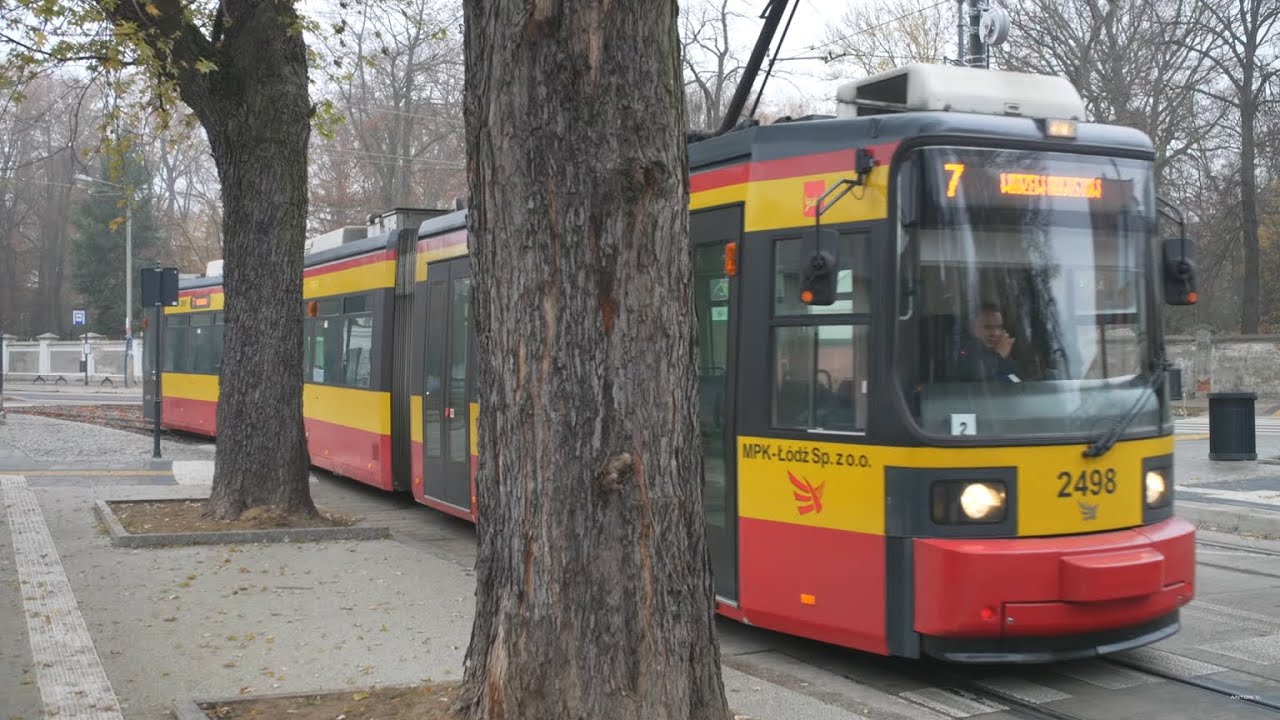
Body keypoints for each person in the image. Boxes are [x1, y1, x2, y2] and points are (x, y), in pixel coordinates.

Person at [950, 302, 1025, 382]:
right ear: (972, 328)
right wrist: (999, 356)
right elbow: (983, 385)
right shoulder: (962, 354)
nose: (995, 333)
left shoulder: (1002, 352)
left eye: (999, 327)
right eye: (987, 327)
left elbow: (1018, 382)